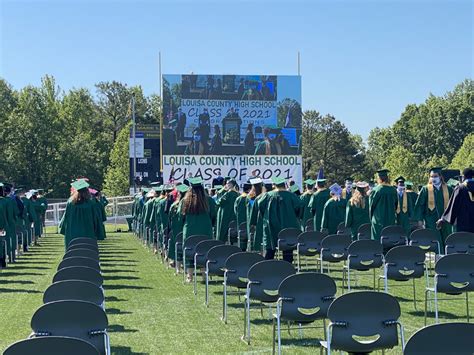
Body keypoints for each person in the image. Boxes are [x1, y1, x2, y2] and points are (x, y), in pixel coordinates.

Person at [179, 177, 216, 282]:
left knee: (190, 251)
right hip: (205, 231)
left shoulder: (185, 200)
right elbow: (213, 215)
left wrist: (185, 225)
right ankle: (204, 275)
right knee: (204, 251)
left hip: (189, 231)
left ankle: (189, 276)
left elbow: (180, 216)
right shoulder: (209, 200)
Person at [263, 177, 301, 262]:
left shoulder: (268, 195)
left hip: (272, 226)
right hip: (288, 224)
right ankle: (287, 267)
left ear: (274, 185)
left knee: (270, 248)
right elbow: (299, 208)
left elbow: (260, 207)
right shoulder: (292, 196)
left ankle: (267, 267)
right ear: (284, 185)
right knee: (287, 246)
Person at [414, 167, 453, 249]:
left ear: (440, 176)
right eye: (431, 176)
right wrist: (420, 220)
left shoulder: (448, 188)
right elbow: (420, 205)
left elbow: (453, 204)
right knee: (435, 241)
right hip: (431, 220)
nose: (433, 178)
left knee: (447, 239)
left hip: (446, 219)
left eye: (435, 176)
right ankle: (438, 258)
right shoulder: (425, 189)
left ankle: (448, 257)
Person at [59, 180, 100, 248]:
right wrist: (97, 230)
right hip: (88, 233)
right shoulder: (91, 204)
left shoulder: (70, 203)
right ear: (87, 192)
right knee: (87, 252)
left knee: (73, 253)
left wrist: (63, 229)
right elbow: (95, 220)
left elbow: (66, 218)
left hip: (72, 234)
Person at [437, 168, 474, 233]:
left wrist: (443, 219)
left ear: (464, 177)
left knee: (464, 242)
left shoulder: (460, 188)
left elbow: (453, 205)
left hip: (463, 224)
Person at [369, 169, 398, 240]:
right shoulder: (393, 190)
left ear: (379, 178)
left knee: (377, 240)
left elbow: (372, 206)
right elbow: (396, 205)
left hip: (378, 220)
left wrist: (371, 218)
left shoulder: (376, 190)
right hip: (390, 219)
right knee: (389, 238)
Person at [168, 183, 188, 267]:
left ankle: (176, 262)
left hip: (177, 228)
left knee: (175, 243)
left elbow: (170, 217)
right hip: (185, 227)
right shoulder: (189, 203)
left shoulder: (175, 205)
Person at [247, 177, 266, 252]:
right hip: (264, 219)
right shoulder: (265, 196)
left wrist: (252, 222)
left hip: (256, 219)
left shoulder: (250, 197)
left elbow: (252, 210)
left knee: (257, 237)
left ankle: (257, 251)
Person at [234, 183, 250, 250]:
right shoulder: (251, 198)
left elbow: (235, 210)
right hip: (249, 222)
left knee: (241, 239)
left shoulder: (238, 199)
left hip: (240, 222)